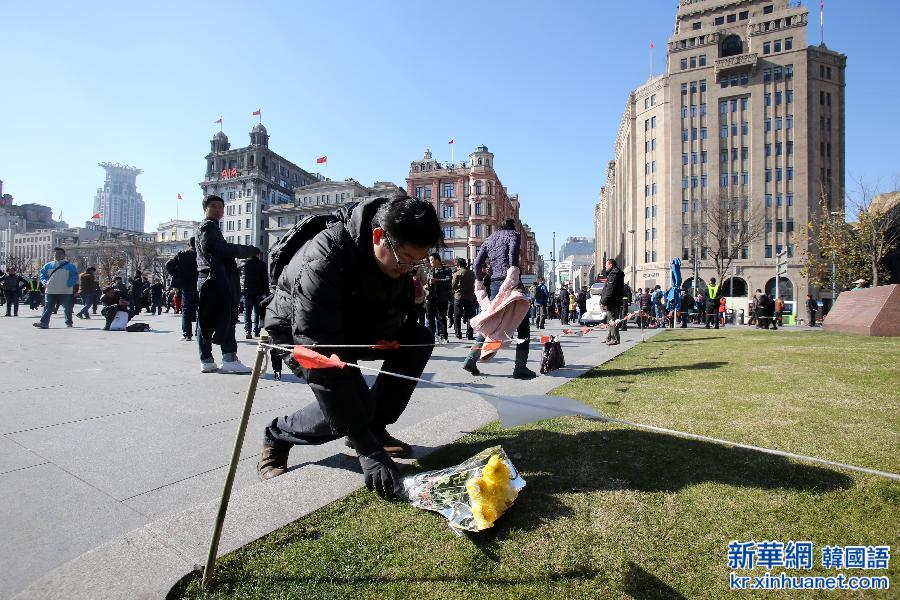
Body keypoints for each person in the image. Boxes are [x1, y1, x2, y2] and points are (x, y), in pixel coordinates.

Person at [257, 195, 442, 502]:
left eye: (417, 261)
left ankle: (374, 427)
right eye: (406, 259)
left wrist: (391, 332)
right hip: (297, 331)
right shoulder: (325, 256)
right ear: (379, 236)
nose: (410, 268)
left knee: (418, 338)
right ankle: (277, 435)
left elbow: (398, 303)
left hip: (354, 326)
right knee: (350, 402)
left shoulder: (395, 262)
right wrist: (365, 448)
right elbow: (317, 349)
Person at [462, 219, 536, 379]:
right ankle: (520, 367)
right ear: (512, 227)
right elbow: (513, 254)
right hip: (512, 282)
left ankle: (471, 359)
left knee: (492, 321)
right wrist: (513, 274)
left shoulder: (489, 240)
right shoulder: (513, 234)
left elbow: (477, 264)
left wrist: (480, 281)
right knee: (523, 325)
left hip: (495, 284)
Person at [196, 195, 260, 373]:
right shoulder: (208, 226)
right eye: (213, 206)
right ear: (205, 209)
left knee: (206, 320)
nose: (218, 210)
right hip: (215, 279)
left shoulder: (208, 227)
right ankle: (229, 357)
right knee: (226, 318)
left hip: (208, 278)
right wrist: (246, 250)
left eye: (220, 207)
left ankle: (207, 360)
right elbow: (214, 248)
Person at [33, 247, 80, 329]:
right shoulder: (48, 265)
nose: (57, 254)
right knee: (48, 307)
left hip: (65, 290)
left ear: (64, 255)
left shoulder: (70, 266)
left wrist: (69, 284)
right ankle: (43, 322)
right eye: (56, 253)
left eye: (59, 253)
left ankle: (69, 322)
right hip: (51, 290)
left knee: (67, 308)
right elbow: (42, 275)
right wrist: (45, 282)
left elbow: (75, 276)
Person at [167, 236, 200, 342]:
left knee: (186, 310)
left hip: (187, 285)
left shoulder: (182, 255)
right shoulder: (203, 254)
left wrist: (177, 275)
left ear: (189, 244)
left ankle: (187, 334)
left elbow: (169, 264)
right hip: (201, 285)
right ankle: (200, 332)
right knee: (201, 309)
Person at [240, 249, 269, 339]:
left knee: (247, 311)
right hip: (259, 291)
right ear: (258, 255)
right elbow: (265, 280)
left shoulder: (244, 265)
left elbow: (241, 278)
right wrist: (267, 292)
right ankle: (256, 331)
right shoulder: (262, 265)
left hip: (246, 291)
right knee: (257, 311)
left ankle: (248, 330)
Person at [424, 253, 452, 343]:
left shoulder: (447, 270)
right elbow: (429, 282)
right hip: (430, 297)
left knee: (442, 317)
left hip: (442, 297)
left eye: (432, 260)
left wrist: (436, 281)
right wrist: (427, 286)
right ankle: (431, 337)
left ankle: (444, 336)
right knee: (430, 318)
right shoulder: (430, 270)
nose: (430, 262)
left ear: (437, 260)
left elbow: (448, 281)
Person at [600, 258, 625, 345]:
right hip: (614, 301)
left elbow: (610, 290)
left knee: (613, 320)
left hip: (611, 301)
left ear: (611, 265)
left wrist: (604, 301)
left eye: (606, 264)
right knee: (611, 320)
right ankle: (609, 337)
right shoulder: (615, 274)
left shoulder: (613, 275)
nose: (605, 266)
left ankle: (615, 339)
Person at [451, 258, 477, 340]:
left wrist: (455, 291)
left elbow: (453, 285)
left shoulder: (457, 273)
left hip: (459, 296)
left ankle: (458, 333)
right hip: (470, 297)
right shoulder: (472, 273)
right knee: (471, 316)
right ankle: (470, 334)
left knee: (457, 316)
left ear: (458, 265)